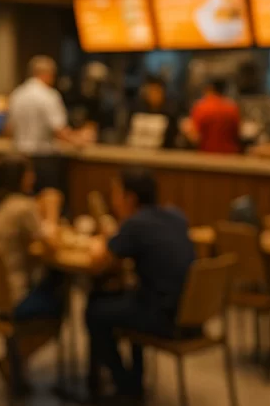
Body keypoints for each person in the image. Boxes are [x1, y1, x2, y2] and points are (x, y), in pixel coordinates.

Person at [84, 168, 195, 400]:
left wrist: (101, 239)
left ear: (130, 198)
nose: (113, 200)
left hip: (165, 318)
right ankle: (134, 380)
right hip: (192, 314)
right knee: (131, 297)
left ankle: (125, 386)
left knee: (94, 311)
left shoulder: (135, 224)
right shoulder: (175, 215)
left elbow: (99, 263)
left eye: (116, 193)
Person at [0, 156, 63, 391]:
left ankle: (14, 362)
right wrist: (51, 211)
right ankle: (14, 361)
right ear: (19, 178)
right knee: (60, 302)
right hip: (10, 301)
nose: (33, 178)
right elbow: (50, 243)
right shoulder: (22, 206)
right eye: (29, 173)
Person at [8, 56, 82, 195]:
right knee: (49, 201)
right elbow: (59, 130)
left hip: (20, 158)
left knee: (24, 201)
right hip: (44, 160)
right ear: (48, 74)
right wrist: (78, 141)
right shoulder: (49, 95)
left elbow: (9, 128)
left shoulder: (17, 94)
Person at [125, 75, 181, 149]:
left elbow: (171, 140)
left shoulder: (170, 114)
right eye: (151, 91)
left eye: (157, 91)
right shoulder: (136, 111)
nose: (153, 95)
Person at [186, 77, 240, 153]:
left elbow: (194, 136)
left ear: (209, 89)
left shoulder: (201, 107)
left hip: (207, 155)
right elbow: (237, 133)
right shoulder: (232, 108)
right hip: (230, 155)